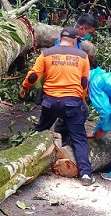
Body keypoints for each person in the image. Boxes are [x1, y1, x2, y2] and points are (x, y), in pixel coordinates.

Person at [20, 27, 94, 186]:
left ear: (60, 38)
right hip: (72, 102)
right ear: (75, 40)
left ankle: (23, 161)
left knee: (40, 131)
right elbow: (84, 83)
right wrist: (81, 100)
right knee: (79, 138)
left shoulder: (47, 53)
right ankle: (86, 174)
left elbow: (34, 75)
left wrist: (25, 87)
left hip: (50, 102)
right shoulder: (82, 56)